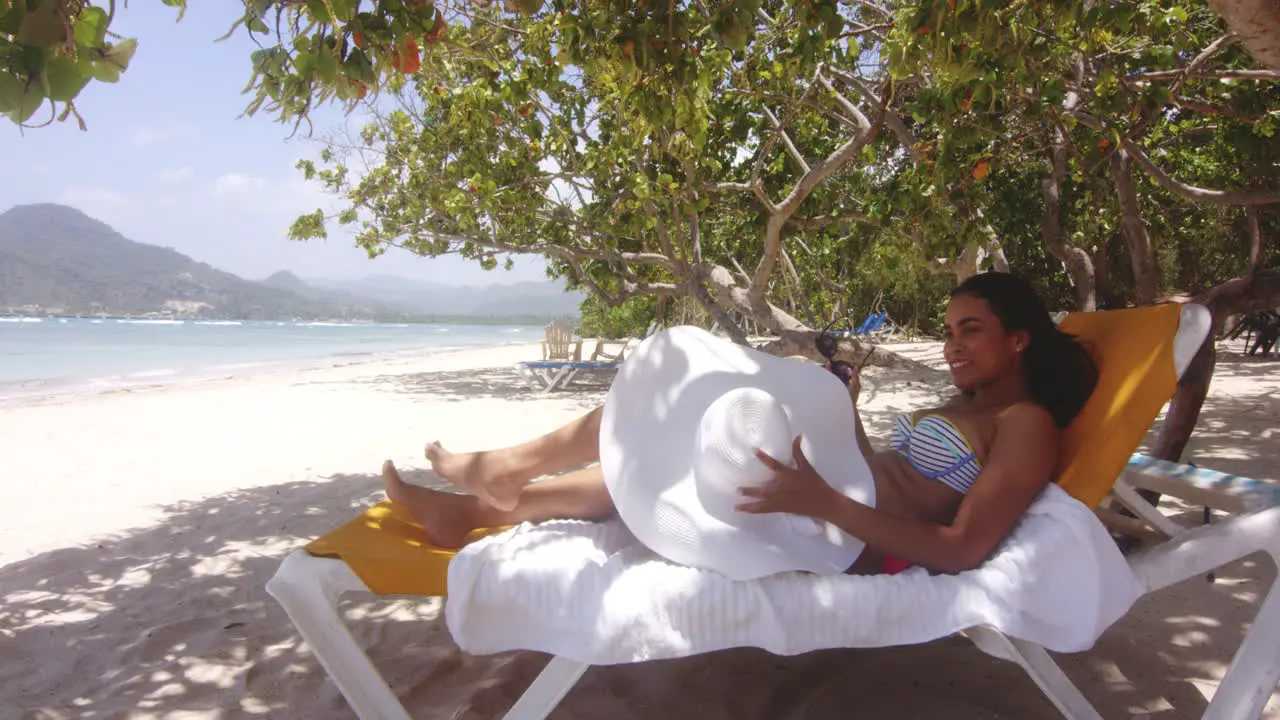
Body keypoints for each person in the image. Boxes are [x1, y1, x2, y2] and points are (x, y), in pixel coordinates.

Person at [382, 272, 1099, 576]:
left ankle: (498, 481)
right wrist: (841, 410)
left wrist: (824, 502)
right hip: (842, 490)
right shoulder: (968, 409)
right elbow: (894, 468)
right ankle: (481, 502)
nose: (951, 345)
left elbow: (960, 549)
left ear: (1020, 340)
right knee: (685, 401)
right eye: (948, 331)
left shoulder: (1026, 423)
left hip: (850, 533)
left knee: (685, 431)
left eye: (970, 330)